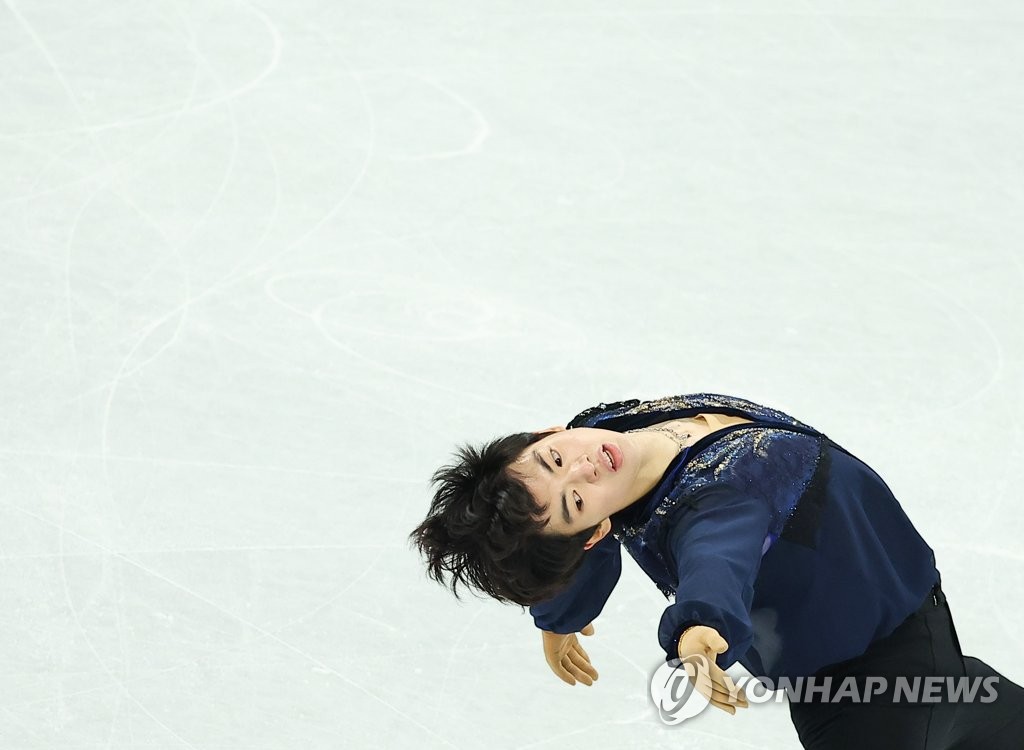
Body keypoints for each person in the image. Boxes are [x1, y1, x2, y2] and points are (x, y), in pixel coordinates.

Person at [409, 393, 1024, 748]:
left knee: (953, 707)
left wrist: (695, 632)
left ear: (547, 432)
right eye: (573, 502)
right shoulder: (702, 500)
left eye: (553, 458)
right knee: (959, 706)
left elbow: (705, 558)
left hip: (886, 653)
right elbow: (714, 558)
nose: (584, 467)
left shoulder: (614, 425)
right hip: (851, 662)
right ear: (594, 527)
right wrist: (565, 615)